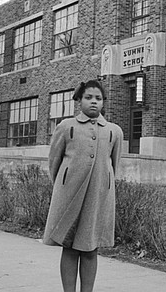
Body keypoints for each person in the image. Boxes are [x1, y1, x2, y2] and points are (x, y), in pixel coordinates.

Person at [43, 79, 123, 292]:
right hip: (69, 195)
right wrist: (64, 184)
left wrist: (104, 185)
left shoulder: (114, 131)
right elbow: (54, 163)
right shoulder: (66, 127)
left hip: (98, 196)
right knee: (69, 247)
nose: (93, 102)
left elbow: (114, 165)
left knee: (90, 249)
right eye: (88, 97)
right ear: (79, 100)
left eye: (98, 98)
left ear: (103, 102)